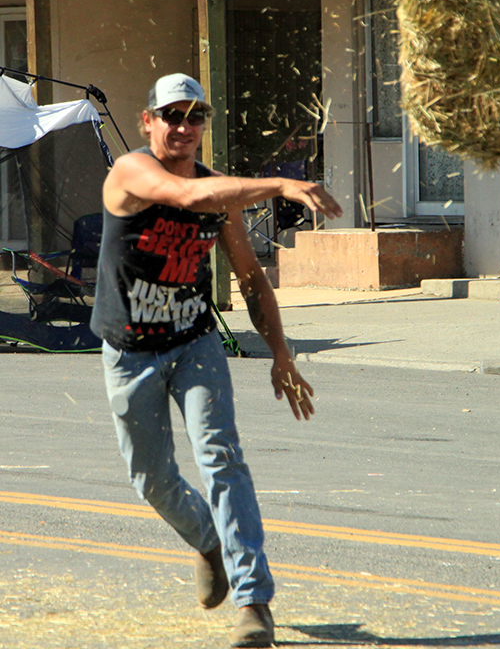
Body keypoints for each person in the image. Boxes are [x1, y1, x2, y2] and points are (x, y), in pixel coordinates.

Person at [90, 73, 342, 647]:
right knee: (151, 479)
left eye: (195, 116)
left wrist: (281, 353)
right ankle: (208, 541)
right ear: (147, 121)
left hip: (194, 342)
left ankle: (254, 602)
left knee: (221, 457)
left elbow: (251, 278)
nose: (184, 127)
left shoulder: (218, 192)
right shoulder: (130, 172)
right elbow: (186, 198)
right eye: (171, 116)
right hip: (130, 351)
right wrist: (282, 183)